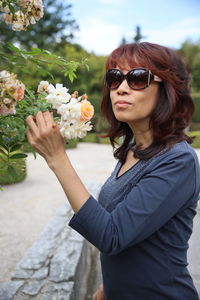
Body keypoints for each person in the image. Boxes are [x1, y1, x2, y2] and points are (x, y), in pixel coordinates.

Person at [26, 42, 200, 300]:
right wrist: (110, 284)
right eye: (114, 78)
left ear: (167, 90)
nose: (121, 88)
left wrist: (57, 158)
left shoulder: (178, 161)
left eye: (138, 78)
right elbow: (133, 231)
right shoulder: (130, 150)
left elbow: (112, 235)